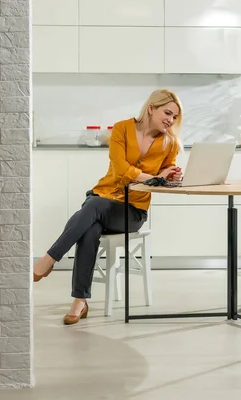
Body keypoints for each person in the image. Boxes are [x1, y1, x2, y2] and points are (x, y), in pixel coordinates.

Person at [33, 89, 184, 325]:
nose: (170, 120)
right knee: (91, 224)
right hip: (103, 196)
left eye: (174, 117)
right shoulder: (122, 129)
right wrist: (154, 176)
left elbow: (165, 175)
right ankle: (79, 301)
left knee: (92, 208)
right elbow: (121, 168)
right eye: (167, 113)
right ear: (151, 108)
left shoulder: (170, 143)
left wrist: (169, 177)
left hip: (132, 211)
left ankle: (48, 260)